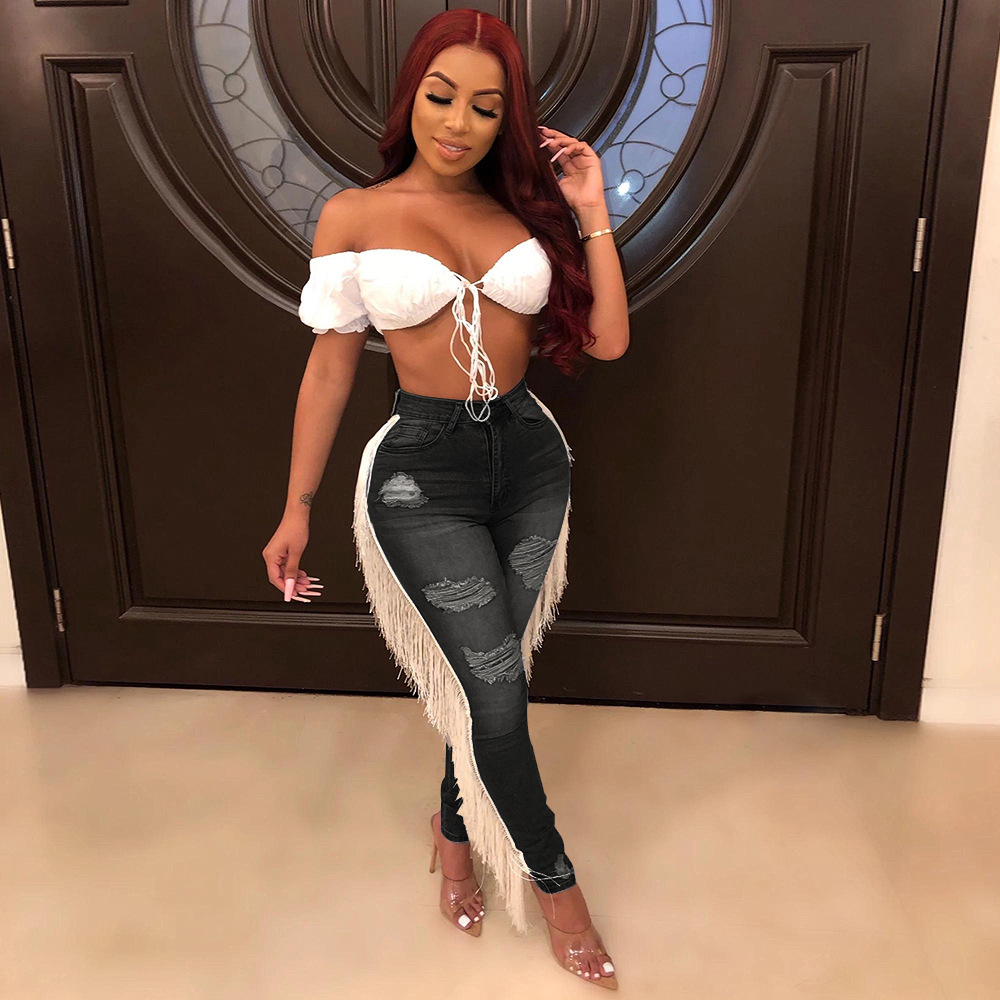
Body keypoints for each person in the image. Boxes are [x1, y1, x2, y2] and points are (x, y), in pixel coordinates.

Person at [263, 8, 628, 989]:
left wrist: (589, 206)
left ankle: (453, 833)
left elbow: (607, 342)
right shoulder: (354, 216)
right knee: (498, 694)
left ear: (507, 118)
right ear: (410, 97)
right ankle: (561, 893)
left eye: (485, 106)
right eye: (440, 96)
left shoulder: (526, 212)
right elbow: (330, 369)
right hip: (422, 476)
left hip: (532, 462)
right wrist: (298, 505)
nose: (458, 122)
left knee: (489, 680)